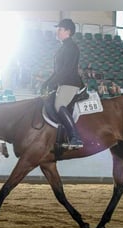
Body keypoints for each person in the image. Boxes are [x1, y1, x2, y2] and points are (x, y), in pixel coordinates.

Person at [40, 18, 84, 149]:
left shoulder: (71, 47)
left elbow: (66, 70)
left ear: (68, 31)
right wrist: (46, 83)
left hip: (70, 83)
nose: (57, 32)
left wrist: (52, 83)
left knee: (59, 105)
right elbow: (57, 71)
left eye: (59, 29)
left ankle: (75, 138)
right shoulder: (64, 47)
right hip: (63, 82)